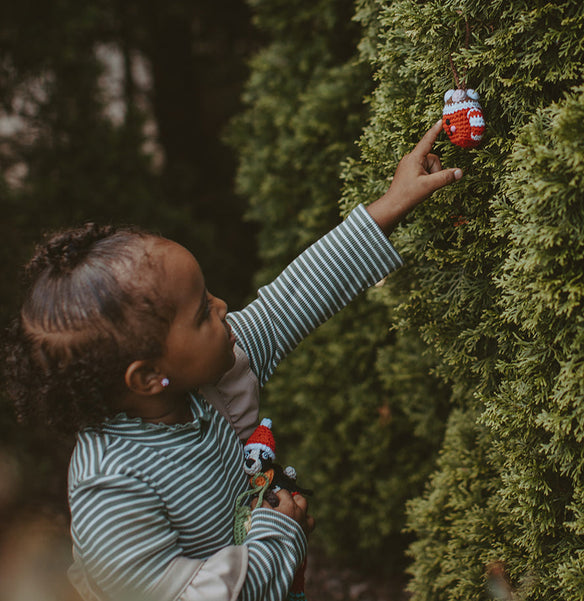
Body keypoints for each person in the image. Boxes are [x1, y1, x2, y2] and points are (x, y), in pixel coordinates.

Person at [3, 121, 462, 601]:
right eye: (202, 311)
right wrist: (279, 536)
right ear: (146, 377)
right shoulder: (112, 489)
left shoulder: (205, 376)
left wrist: (392, 203)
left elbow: (293, 300)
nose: (222, 306)